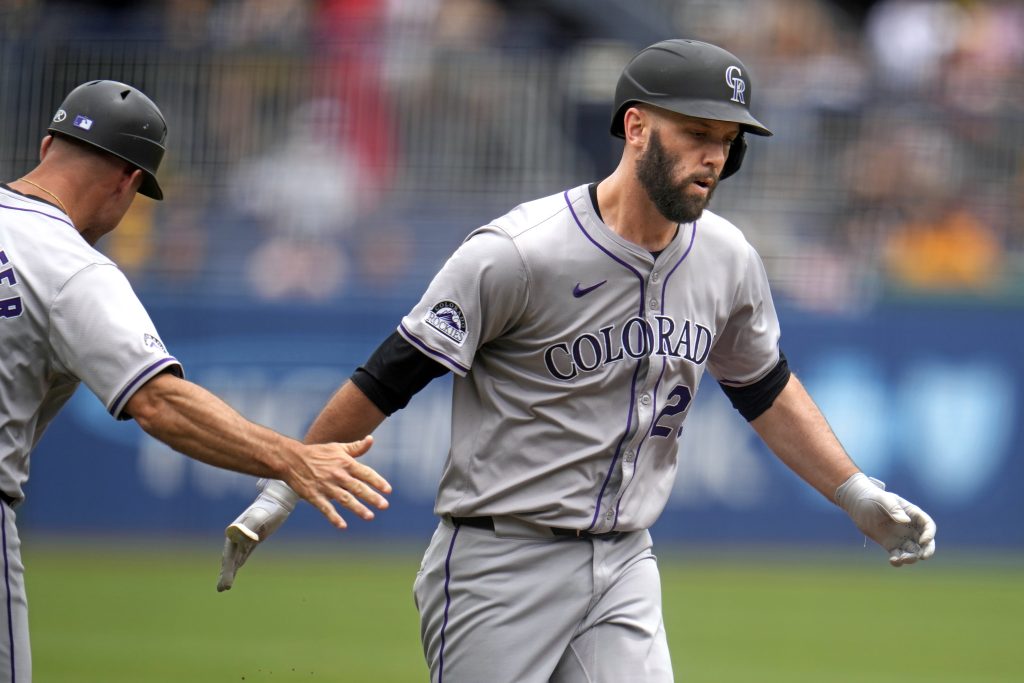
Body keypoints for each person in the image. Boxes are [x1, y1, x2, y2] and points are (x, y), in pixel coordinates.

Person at [217, 40, 937, 682]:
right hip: (498, 564)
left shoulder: (726, 257)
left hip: (625, 560)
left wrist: (854, 491)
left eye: (727, 140)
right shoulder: (518, 252)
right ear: (635, 127)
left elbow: (764, 388)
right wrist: (283, 483)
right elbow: (389, 376)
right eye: (695, 134)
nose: (714, 156)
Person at [0, 80, 392, 682]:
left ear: (48, 142)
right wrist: (293, 459)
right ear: (130, 182)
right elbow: (159, 402)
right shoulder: (70, 266)